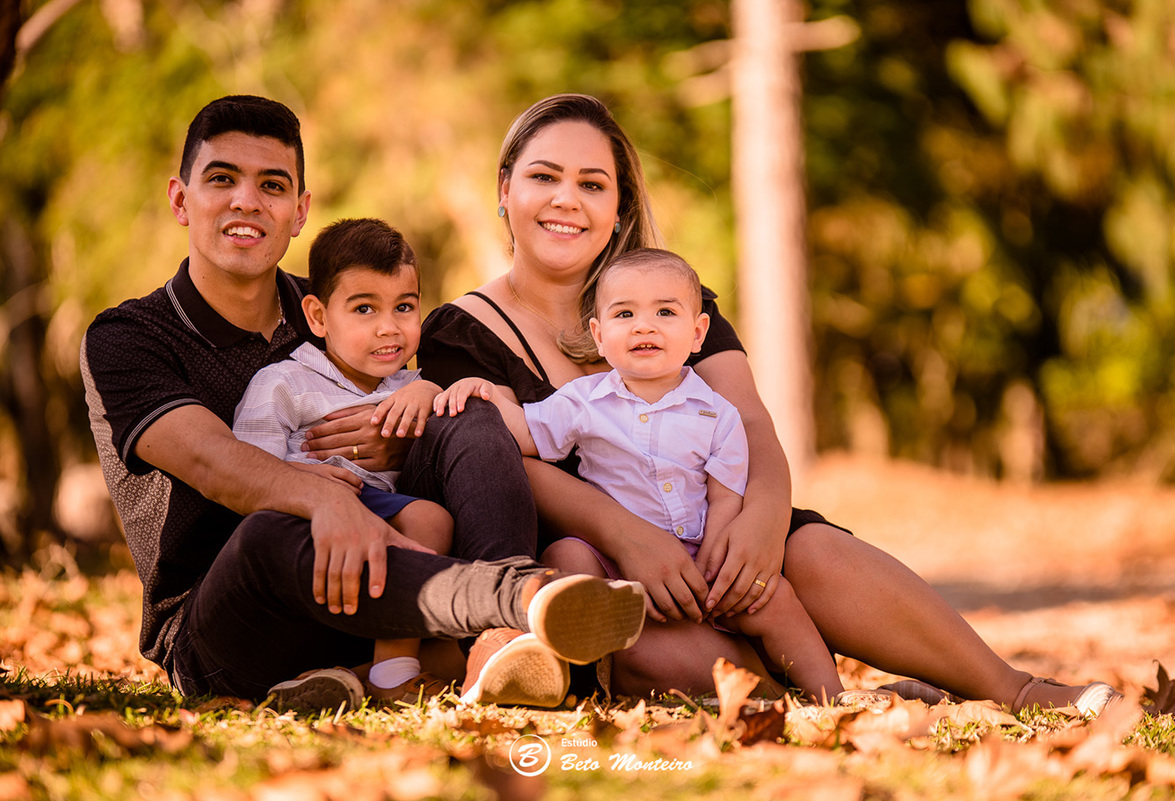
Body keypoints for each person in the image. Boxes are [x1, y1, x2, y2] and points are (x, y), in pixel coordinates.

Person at [410, 92, 1120, 715]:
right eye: (543, 176)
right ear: (505, 189)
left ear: (618, 205)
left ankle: (1016, 687)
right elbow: (503, 456)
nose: (568, 199)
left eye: (593, 183)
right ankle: (826, 704)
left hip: (712, 522)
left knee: (805, 549)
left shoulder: (670, 300)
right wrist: (627, 534)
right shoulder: (457, 333)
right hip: (601, 561)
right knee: (623, 635)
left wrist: (763, 515)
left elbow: (747, 415)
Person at [80, 94, 647, 712]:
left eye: (271, 185)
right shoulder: (129, 337)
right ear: (180, 200)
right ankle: (525, 600)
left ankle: (495, 647)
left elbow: (410, 395)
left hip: (383, 590)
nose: (246, 201)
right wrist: (326, 498)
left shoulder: (345, 301)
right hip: (236, 616)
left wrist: (421, 411)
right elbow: (214, 461)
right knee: (271, 530)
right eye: (222, 179)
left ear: (298, 213)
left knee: (467, 415)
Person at [436, 248, 844, 702]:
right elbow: (527, 433)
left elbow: (726, 494)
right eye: (624, 313)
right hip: (614, 557)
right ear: (599, 333)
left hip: (699, 552)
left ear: (697, 333)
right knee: (565, 555)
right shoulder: (582, 401)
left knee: (777, 599)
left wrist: (714, 556)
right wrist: (483, 393)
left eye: (664, 312)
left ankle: (830, 697)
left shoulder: (716, 412)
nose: (643, 326)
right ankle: (587, 652)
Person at [232, 217, 459, 704]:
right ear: (317, 317)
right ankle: (395, 672)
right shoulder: (285, 382)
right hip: (309, 522)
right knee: (428, 517)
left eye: (404, 307)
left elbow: (449, 423)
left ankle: (358, 675)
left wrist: (428, 389)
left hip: (383, 525)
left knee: (455, 655)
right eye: (364, 309)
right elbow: (248, 465)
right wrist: (302, 478)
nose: (388, 327)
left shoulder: (409, 385)